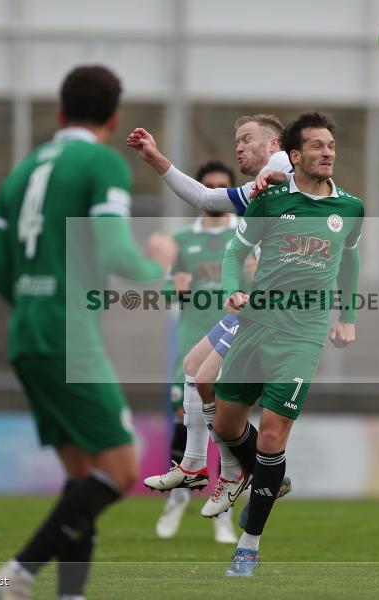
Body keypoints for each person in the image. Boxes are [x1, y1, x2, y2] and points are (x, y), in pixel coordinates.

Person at [0, 65, 176, 600]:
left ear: (61, 112)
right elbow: (115, 250)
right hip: (68, 333)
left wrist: (34, 300)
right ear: (114, 118)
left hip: (26, 332)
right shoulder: (102, 163)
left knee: (82, 474)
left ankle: (70, 593)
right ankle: (17, 575)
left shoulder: (20, 173)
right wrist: (156, 264)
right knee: (122, 468)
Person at [212, 111, 363, 576]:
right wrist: (233, 290)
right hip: (256, 324)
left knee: (273, 434)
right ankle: (269, 477)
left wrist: (348, 315)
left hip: (302, 334)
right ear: (294, 155)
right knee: (225, 425)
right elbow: (235, 251)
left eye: (331, 146)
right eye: (317, 145)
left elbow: (350, 259)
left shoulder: (351, 208)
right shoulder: (271, 200)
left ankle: (249, 542)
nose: (327, 152)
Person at [128, 116, 293, 518]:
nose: (238, 147)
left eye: (246, 139)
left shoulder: (289, 171)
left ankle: (244, 469)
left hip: (282, 312)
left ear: (273, 145)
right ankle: (196, 466)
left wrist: (272, 174)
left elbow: (290, 165)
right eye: (236, 139)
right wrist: (155, 159)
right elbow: (203, 197)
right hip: (256, 306)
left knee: (207, 382)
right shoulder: (257, 194)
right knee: (193, 369)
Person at [155, 160, 249, 544]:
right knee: (184, 419)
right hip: (192, 342)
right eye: (207, 187)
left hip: (233, 341)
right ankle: (177, 499)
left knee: (226, 421)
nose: (213, 193)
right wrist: (175, 286)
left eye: (220, 186)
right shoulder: (181, 241)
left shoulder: (243, 236)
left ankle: (222, 512)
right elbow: (165, 294)